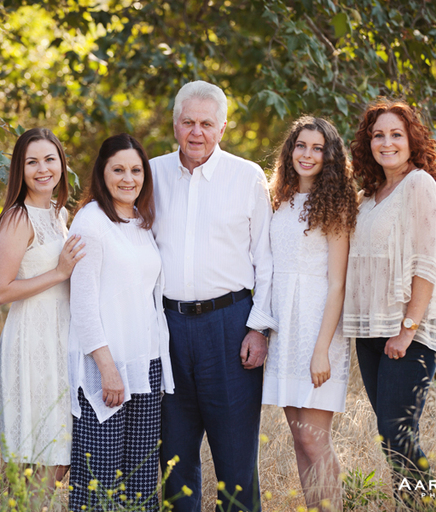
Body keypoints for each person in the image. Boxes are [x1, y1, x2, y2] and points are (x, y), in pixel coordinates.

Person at [151, 80, 274, 512]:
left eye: (207, 123)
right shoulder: (150, 173)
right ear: (175, 124)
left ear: (223, 128)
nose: (196, 132)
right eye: (188, 122)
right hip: (166, 328)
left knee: (236, 460)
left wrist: (259, 328)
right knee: (174, 459)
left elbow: (267, 260)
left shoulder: (247, 177)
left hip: (230, 326)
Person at [344, 99, 436, 508]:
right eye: (378, 135)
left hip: (409, 334)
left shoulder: (419, 185)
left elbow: (428, 262)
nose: (386, 143)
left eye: (395, 134)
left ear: (411, 140)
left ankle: (426, 506)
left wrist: (407, 330)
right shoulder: (368, 196)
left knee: (397, 429)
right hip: (372, 333)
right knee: (390, 435)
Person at [67, 134, 175, 511]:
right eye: (118, 170)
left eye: (136, 169)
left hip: (145, 365)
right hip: (106, 369)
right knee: (98, 484)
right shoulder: (91, 221)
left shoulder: (142, 221)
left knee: (142, 480)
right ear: (102, 173)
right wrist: (107, 368)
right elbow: (81, 303)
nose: (128, 178)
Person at [263, 116, 358, 510]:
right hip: (285, 328)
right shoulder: (278, 199)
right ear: (290, 150)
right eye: (301, 145)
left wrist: (322, 349)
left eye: (317, 148)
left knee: (314, 440)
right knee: (299, 439)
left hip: (319, 327)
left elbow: (337, 283)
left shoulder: (336, 203)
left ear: (330, 156)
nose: (307, 154)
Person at [0, 128, 84, 502]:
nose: (43, 169)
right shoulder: (17, 217)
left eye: (50, 159)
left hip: (62, 337)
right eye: (32, 162)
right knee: (44, 451)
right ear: (20, 169)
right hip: (33, 338)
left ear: (61, 163)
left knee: (60, 454)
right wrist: (59, 272)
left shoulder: (59, 213)